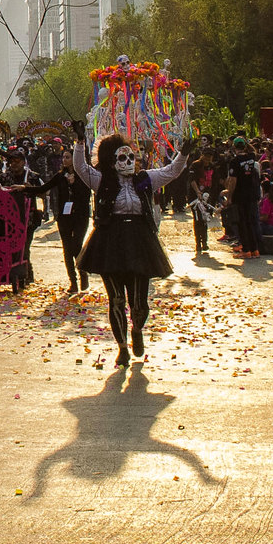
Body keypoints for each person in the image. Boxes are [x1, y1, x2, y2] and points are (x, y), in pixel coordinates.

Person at [74, 111, 190, 369]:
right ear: (111, 160)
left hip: (139, 240)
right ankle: (122, 347)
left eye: (131, 157)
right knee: (115, 298)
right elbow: (80, 168)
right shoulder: (101, 180)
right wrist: (80, 142)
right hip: (109, 241)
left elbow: (172, 171)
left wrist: (183, 153)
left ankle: (137, 329)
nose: (128, 162)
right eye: (122, 157)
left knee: (139, 300)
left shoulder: (145, 178)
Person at [40, 153, 92, 291]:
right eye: (64, 157)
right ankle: (73, 282)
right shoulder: (60, 176)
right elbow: (45, 188)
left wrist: (74, 184)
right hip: (64, 217)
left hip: (80, 216)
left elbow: (86, 196)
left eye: (68, 157)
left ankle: (83, 273)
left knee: (76, 246)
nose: (64, 160)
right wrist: (25, 188)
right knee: (67, 250)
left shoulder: (84, 177)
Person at [225, 138, 264, 260]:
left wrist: (229, 196)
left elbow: (233, 180)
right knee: (251, 222)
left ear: (234, 147)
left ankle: (246, 250)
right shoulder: (252, 158)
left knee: (242, 223)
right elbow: (253, 150)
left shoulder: (235, 161)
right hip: (252, 194)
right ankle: (255, 249)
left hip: (240, 195)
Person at [188, 182, 217, 256]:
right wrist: (198, 192)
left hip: (207, 197)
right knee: (198, 220)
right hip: (195, 198)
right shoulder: (194, 170)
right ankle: (198, 243)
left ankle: (204, 242)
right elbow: (192, 181)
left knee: (204, 220)